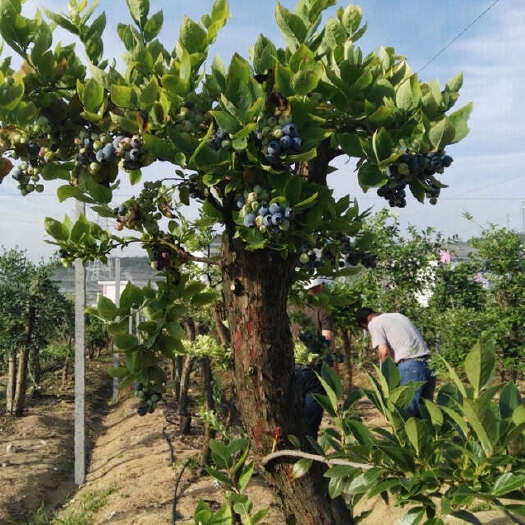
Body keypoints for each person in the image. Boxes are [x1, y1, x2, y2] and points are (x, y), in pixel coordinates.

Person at [355, 307, 436, 418]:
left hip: (410, 366)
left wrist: (386, 379)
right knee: (426, 413)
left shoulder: (373, 323)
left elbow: (384, 352)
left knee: (408, 414)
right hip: (429, 364)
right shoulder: (398, 316)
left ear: (364, 324)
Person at [291, 277, 336, 438]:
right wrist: (333, 368)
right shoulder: (321, 309)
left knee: (294, 416)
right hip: (313, 370)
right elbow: (327, 341)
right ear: (318, 288)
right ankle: (311, 455)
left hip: (291, 368)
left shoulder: (289, 307)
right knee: (311, 421)